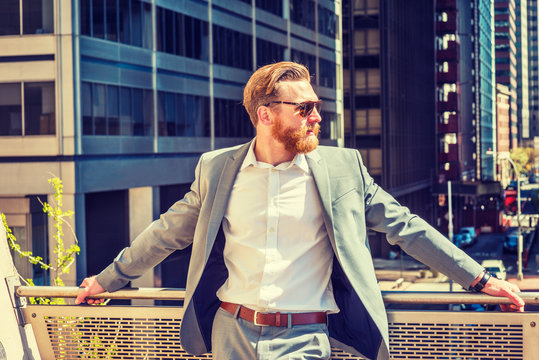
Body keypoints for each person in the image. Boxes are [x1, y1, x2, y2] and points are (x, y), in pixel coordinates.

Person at [76, 62, 525, 360]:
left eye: (317, 107)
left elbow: (406, 228)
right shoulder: (217, 169)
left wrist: (480, 279)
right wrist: (107, 279)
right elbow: (167, 232)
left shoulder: (341, 169)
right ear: (265, 115)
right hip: (230, 333)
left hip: (304, 339)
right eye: (305, 107)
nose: (317, 117)